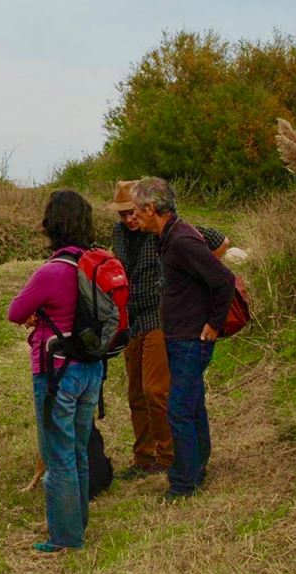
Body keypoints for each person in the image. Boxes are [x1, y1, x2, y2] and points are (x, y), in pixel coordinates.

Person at [107, 181, 230, 479]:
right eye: (124, 214)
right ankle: (149, 458)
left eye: (133, 211)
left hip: (167, 324)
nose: (129, 218)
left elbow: (220, 261)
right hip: (136, 319)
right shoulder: (125, 235)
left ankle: (178, 467)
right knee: (139, 393)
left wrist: (208, 314)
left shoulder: (177, 236)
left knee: (165, 396)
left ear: (149, 208)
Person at [7, 190, 104, 552]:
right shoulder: (93, 264)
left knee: (58, 456)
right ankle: (77, 525)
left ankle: (65, 537)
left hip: (56, 371)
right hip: (90, 368)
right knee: (78, 451)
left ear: (52, 224)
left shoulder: (52, 271)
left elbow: (15, 312)